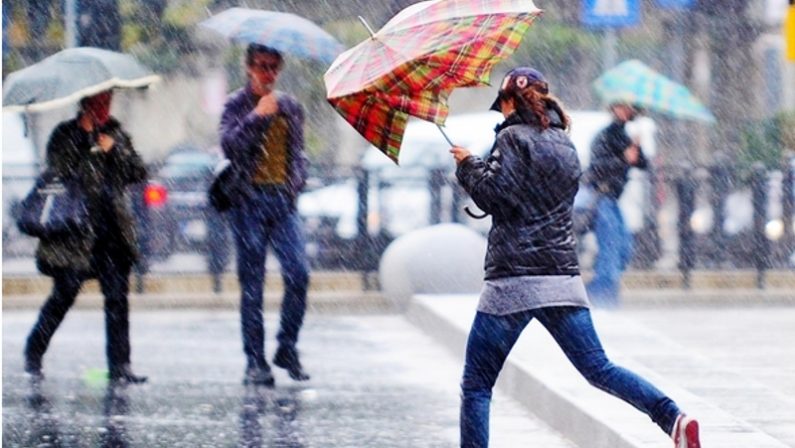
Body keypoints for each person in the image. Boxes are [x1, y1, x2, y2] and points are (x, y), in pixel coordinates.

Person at [449, 67, 700, 448]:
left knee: (477, 384)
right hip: (561, 276)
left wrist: (467, 165)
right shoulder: (564, 143)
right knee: (599, 368)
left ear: (512, 101)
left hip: (514, 279)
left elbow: (499, 197)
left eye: (501, 104)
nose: (499, 112)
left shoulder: (512, 139)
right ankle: (672, 417)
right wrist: (482, 167)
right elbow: (535, 197)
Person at [24, 90, 148, 385]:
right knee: (64, 294)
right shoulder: (65, 135)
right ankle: (34, 349)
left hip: (112, 230)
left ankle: (120, 365)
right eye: (99, 102)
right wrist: (86, 143)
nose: (105, 108)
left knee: (117, 299)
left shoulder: (116, 133)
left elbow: (137, 171)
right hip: (75, 232)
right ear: (85, 102)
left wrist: (113, 149)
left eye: (108, 101)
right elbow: (60, 171)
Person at [220, 43, 310, 387]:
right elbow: (230, 146)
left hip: (281, 201)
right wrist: (257, 116)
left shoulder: (290, 107)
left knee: (298, 273)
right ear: (248, 68)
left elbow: (298, 154)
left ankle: (287, 346)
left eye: (273, 67)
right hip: (248, 202)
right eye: (261, 66)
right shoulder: (236, 105)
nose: (267, 73)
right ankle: (255, 362)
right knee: (252, 287)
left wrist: (294, 184)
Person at [584, 102, 648, 307]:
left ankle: (599, 290)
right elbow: (598, 167)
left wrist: (636, 148)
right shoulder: (605, 135)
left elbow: (642, 163)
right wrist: (623, 158)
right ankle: (602, 295)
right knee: (611, 248)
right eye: (621, 107)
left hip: (612, 200)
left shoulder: (624, 136)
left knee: (623, 248)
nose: (626, 111)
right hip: (601, 197)